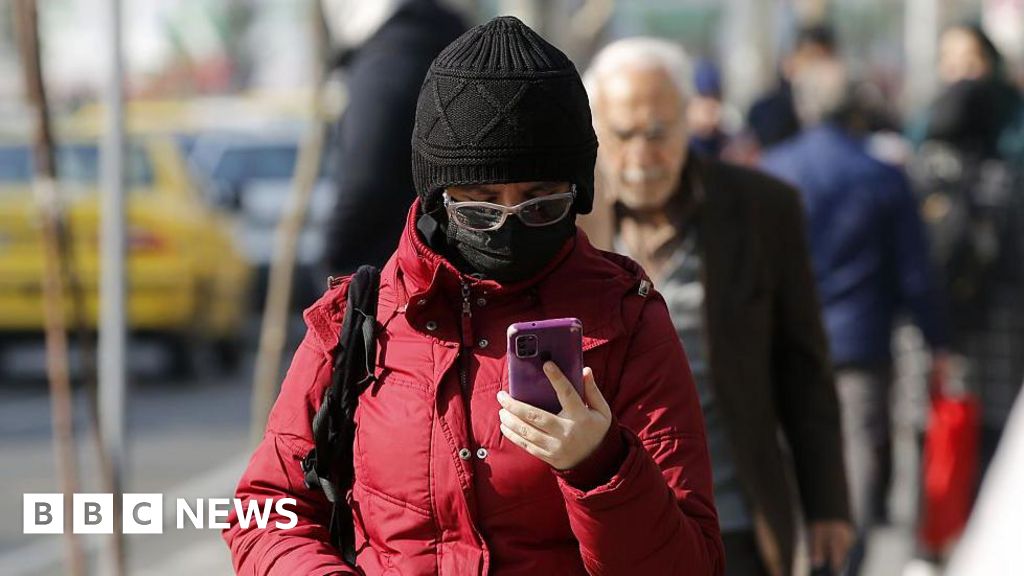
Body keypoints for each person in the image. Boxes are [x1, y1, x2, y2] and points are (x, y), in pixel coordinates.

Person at [224, 17, 724, 576]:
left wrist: (600, 466)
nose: (509, 227)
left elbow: (690, 564)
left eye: (540, 205)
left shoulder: (627, 320)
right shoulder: (360, 318)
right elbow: (265, 512)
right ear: (438, 201)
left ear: (578, 195)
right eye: (481, 209)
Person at [581, 38, 852, 576]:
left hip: (733, 523)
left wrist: (828, 502)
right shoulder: (569, 222)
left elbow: (803, 366)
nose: (641, 157)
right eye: (623, 135)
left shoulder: (761, 209)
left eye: (658, 133)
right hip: (610, 529)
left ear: (690, 120)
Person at [760, 57, 950, 575]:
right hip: (859, 337)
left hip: (784, 336)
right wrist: (936, 338)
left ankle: (800, 550)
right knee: (857, 451)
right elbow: (914, 271)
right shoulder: (882, 174)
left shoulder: (773, 169)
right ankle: (845, 557)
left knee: (788, 443)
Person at [321, 0, 466, 274]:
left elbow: (365, 181)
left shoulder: (390, 59)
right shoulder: (448, 41)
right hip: (441, 257)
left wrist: (339, 262)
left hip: (400, 267)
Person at [746, 24, 838, 152]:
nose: (817, 69)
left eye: (824, 59)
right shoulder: (767, 114)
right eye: (810, 58)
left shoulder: (843, 115)